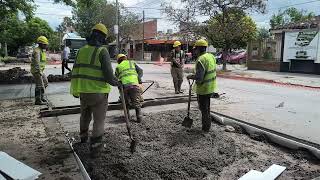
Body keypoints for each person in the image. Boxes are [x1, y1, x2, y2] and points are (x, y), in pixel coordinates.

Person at [70, 23, 119, 153]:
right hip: (98, 93)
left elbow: (75, 71)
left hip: (83, 91)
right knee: (99, 120)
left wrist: (75, 90)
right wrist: (117, 83)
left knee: (84, 116)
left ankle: (83, 138)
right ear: (103, 38)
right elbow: (109, 76)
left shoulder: (81, 51)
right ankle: (96, 147)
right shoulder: (102, 51)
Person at [187, 39, 217, 132]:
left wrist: (190, 76)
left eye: (196, 49)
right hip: (211, 87)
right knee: (207, 108)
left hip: (203, 89)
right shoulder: (211, 56)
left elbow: (199, 77)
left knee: (204, 109)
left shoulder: (201, 59)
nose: (195, 51)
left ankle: (205, 129)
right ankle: (207, 126)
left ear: (199, 49)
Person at [115, 54, 144, 123]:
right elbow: (140, 71)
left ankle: (127, 118)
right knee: (137, 102)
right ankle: (139, 118)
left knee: (126, 103)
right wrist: (138, 79)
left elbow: (116, 78)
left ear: (118, 61)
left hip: (125, 87)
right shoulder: (132, 63)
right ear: (125, 58)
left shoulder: (118, 66)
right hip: (134, 85)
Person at [31, 36, 49, 105]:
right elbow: (37, 62)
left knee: (45, 83)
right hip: (37, 71)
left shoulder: (41, 50)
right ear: (40, 44)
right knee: (39, 85)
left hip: (40, 70)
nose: (46, 45)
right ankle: (38, 100)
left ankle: (41, 97)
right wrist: (39, 71)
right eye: (44, 44)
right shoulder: (37, 51)